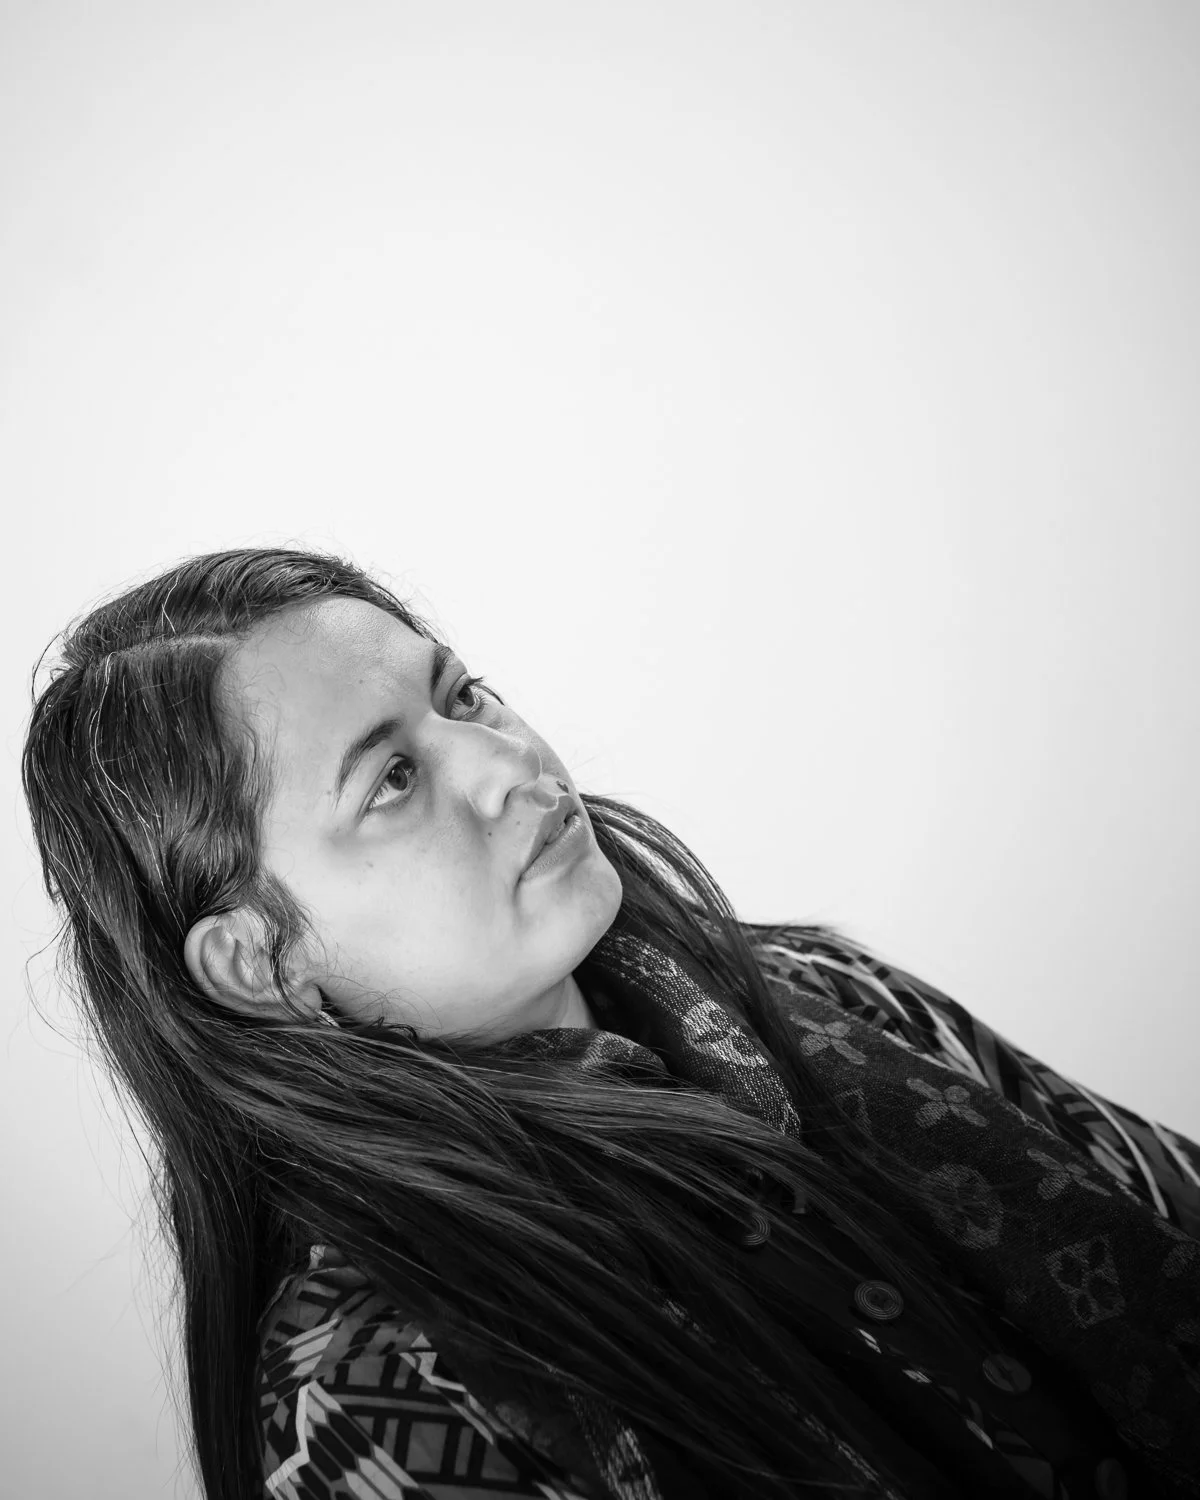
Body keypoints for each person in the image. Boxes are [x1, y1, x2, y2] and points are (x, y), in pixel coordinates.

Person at [21, 546, 1200, 1500]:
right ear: (260, 961)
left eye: (462, 696)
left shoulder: (829, 993)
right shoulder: (368, 1406)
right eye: (390, 780)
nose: (504, 763)